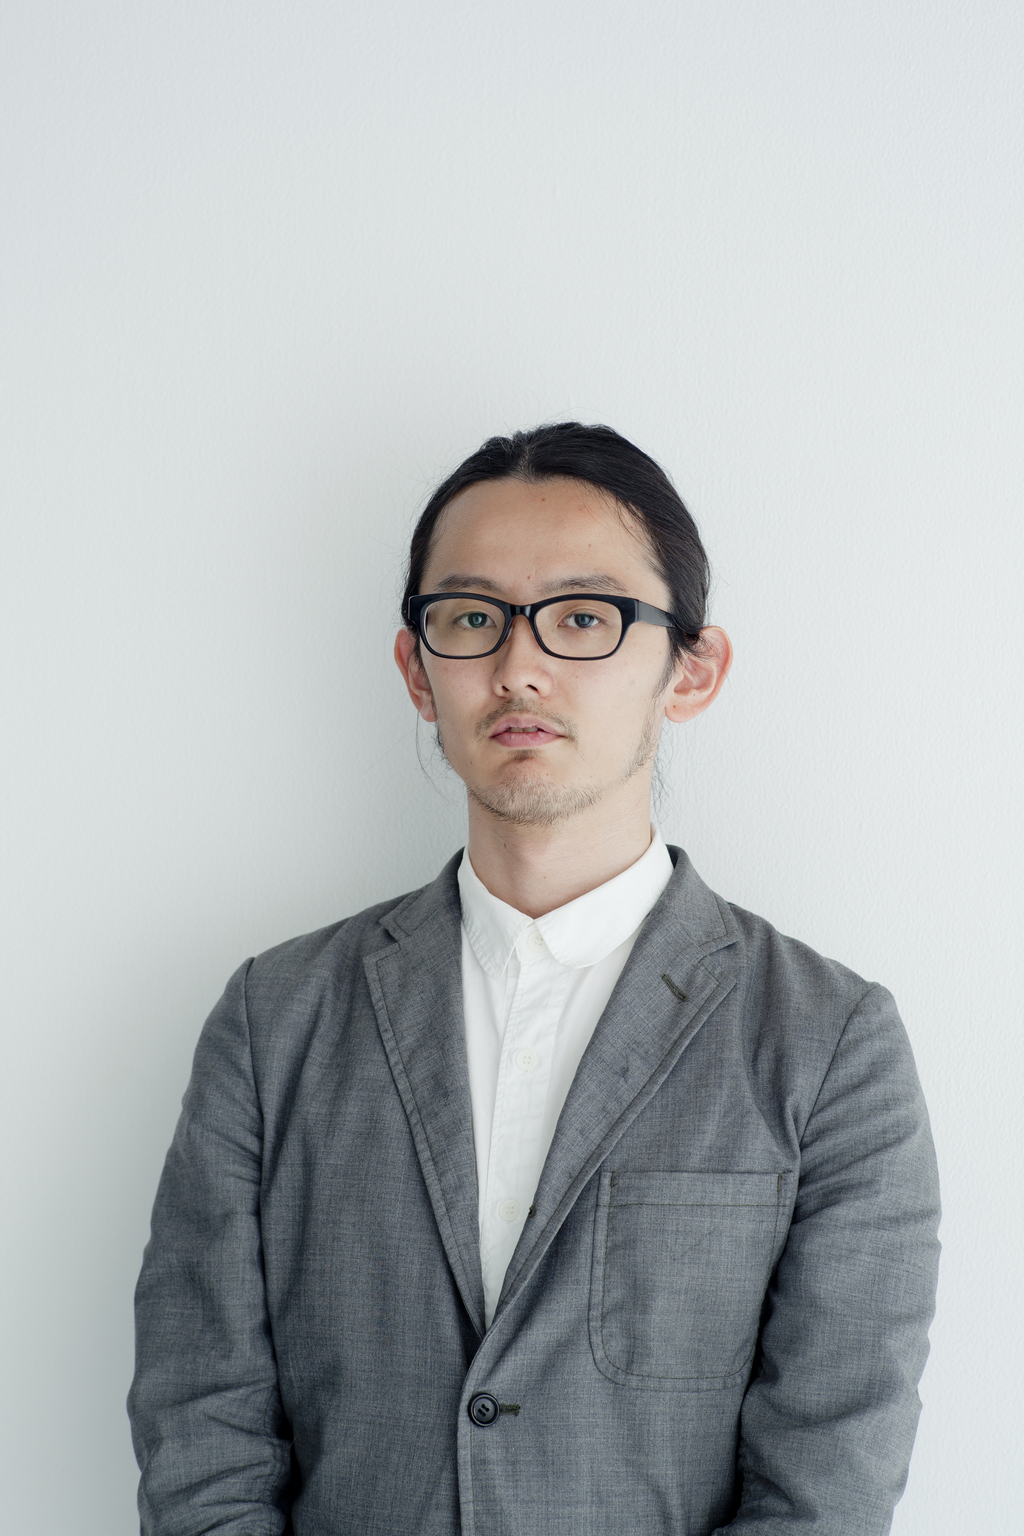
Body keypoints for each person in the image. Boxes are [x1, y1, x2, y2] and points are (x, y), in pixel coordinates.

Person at [128, 422, 940, 1536]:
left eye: (583, 617)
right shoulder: (277, 1018)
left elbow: (827, 1480)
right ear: (417, 671)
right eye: (472, 618)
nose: (519, 666)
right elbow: (200, 1431)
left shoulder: (828, 1042)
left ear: (691, 670)